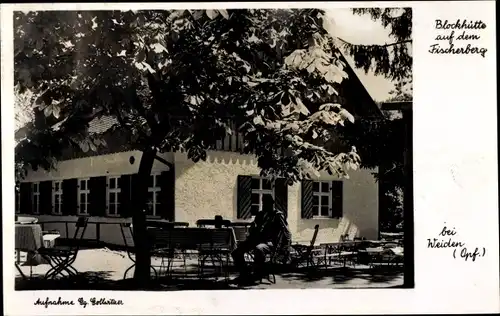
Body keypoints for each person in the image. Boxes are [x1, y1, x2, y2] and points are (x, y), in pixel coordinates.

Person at [231, 195, 291, 285]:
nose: (264, 205)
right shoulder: (260, 214)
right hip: (255, 240)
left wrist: (285, 248)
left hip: (270, 243)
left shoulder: (277, 215)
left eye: (266, 203)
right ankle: (245, 273)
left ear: (272, 204)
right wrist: (252, 228)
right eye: (263, 203)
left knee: (259, 249)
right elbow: (255, 227)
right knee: (236, 252)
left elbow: (287, 232)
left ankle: (257, 275)